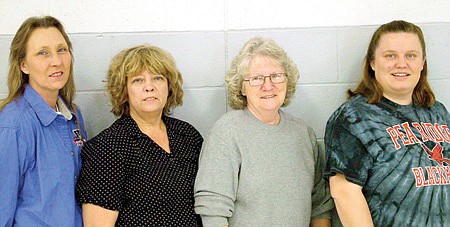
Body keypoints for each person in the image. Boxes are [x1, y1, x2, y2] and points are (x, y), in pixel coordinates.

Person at [194, 37, 334, 227]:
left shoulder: (303, 134)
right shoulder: (227, 132)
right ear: (242, 87)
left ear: (287, 81)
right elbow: (213, 209)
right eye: (256, 79)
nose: (268, 86)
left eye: (276, 76)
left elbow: (320, 205)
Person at [324, 20, 450, 226]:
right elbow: (344, 193)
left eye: (411, 55)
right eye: (390, 55)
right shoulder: (354, 118)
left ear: (422, 62)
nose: (402, 63)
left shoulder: (438, 112)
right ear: (373, 63)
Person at [76, 45, 203, 226]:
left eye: (158, 78)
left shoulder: (188, 135)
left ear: (169, 86)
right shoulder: (107, 147)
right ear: (124, 90)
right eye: (138, 80)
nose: (149, 87)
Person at [0, 16, 87, 226]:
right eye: (43, 53)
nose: (56, 61)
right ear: (23, 65)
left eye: (61, 50)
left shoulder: (73, 115)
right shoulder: (14, 124)